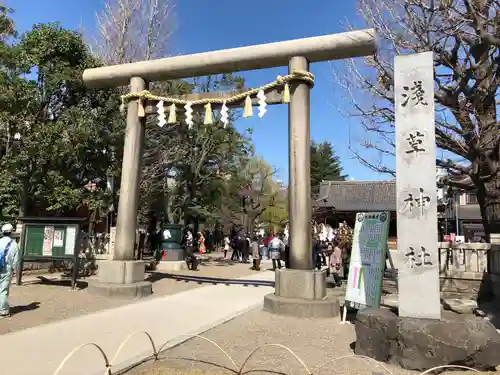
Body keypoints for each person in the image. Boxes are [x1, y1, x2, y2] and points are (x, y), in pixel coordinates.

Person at [0, 223, 20, 318]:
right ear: (11, 232)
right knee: (3, 290)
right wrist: (15, 271)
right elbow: (16, 261)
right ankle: (3, 311)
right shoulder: (14, 245)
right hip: (7, 269)